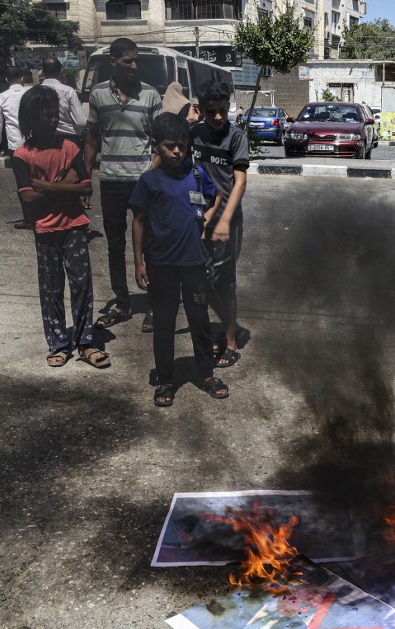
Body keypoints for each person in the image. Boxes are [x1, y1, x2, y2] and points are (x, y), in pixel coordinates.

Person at [129, 113, 227, 406]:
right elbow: (138, 221)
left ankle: (206, 375)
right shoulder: (149, 181)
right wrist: (138, 262)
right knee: (165, 323)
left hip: (194, 262)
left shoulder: (196, 176)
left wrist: (206, 219)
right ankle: (166, 379)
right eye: (170, 145)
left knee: (199, 320)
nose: (177, 152)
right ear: (155, 145)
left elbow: (217, 195)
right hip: (161, 264)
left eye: (182, 146)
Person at [12, 86, 110, 369]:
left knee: (82, 285)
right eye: (46, 115)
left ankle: (84, 342)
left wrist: (43, 184)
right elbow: (26, 196)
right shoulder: (22, 155)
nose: (53, 120)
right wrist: (65, 187)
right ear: (32, 118)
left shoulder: (70, 147)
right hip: (45, 230)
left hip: (75, 226)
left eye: (55, 114)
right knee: (51, 288)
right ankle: (58, 343)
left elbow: (86, 186)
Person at [84, 36, 163, 333]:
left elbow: (160, 143)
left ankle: (154, 303)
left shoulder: (151, 95)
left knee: (151, 244)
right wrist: (85, 180)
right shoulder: (98, 94)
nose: (133, 65)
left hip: (143, 183)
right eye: (127, 60)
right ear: (113, 62)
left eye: (136, 60)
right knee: (115, 243)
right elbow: (91, 139)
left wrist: (150, 170)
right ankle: (122, 302)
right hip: (111, 180)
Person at [190, 82, 250, 368]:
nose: (217, 117)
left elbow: (240, 182)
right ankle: (210, 334)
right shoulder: (194, 134)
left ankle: (229, 340)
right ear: (201, 110)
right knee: (201, 279)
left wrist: (225, 219)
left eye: (222, 111)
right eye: (211, 112)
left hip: (227, 220)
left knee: (224, 282)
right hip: (198, 218)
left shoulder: (236, 137)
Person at [0, 67, 29, 229]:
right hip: (35, 144)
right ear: (22, 78)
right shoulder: (30, 93)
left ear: (7, 80)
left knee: (23, 182)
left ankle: (29, 218)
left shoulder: (1, 97)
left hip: (15, 147)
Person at [39, 56, 85, 145]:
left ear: (43, 73)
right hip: (69, 140)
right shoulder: (68, 91)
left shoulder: (34, 92)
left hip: (43, 140)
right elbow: (81, 122)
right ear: (61, 71)